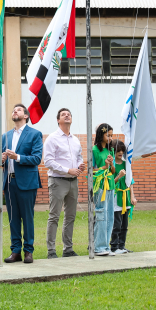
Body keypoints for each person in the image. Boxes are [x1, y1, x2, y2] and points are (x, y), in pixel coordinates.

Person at [2, 103, 43, 264]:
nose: (15, 111)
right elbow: (0, 160)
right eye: (13, 110)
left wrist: (17, 157)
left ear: (26, 115)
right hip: (9, 182)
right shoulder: (5, 136)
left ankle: (28, 251)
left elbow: (36, 158)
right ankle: (15, 251)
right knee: (13, 218)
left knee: (27, 218)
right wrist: (2, 159)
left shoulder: (35, 134)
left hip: (27, 182)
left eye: (18, 110)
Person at [43, 108, 86, 259]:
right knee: (54, 216)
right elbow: (48, 161)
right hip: (57, 181)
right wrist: (68, 170)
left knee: (70, 216)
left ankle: (68, 249)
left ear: (71, 119)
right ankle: (51, 250)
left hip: (73, 182)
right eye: (63, 114)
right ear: (58, 120)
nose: (67, 115)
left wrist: (80, 165)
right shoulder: (52, 138)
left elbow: (79, 157)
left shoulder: (75, 140)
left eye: (69, 114)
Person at [92, 123, 116, 257]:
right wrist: (104, 166)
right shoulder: (94, 150)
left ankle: (106, 246)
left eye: (111, 135)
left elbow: (113, 171)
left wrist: (111, 164)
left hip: (111, 185)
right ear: (101, 135)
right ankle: (98, 247)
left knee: (110, 216)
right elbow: (92, 170)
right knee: (101, 215)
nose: (110, 138)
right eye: (108, 135)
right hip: (100, 185)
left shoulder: (110, 149)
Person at [111, 139, 136, 254]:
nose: (120, 153)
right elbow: (111, 183)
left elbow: (130, 182)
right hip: (116, 197)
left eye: (122, 151)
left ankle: (122, 246)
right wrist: (118, 176)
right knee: (116, 224)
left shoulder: (127, 164)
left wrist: (132, 196)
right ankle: (114, 246)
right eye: (118, 151)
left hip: (126, 197)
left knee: (124, 224)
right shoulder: (112, 165)